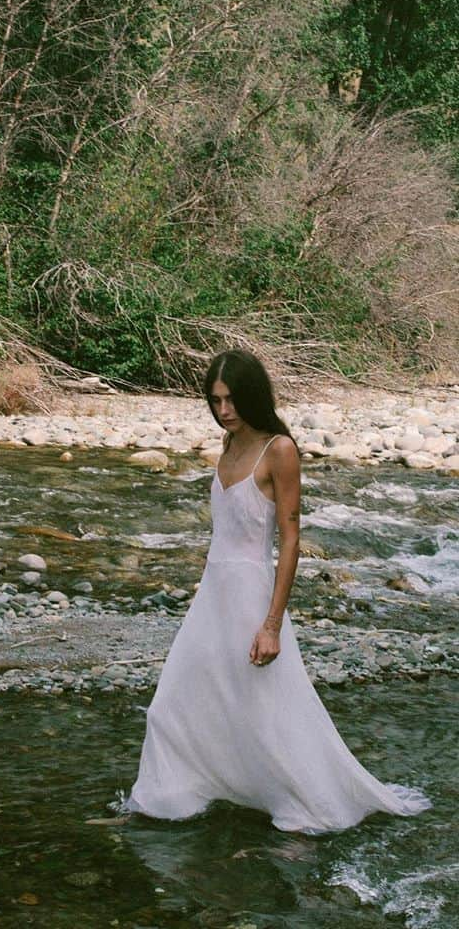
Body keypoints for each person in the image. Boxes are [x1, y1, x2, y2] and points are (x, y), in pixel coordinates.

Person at [122, 349, 432, 833]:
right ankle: (175, 795)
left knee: (267, 711)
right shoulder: (227, 446)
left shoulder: (279, 450)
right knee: (176, 702)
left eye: (232, 399)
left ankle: (302, 799)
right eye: (216, 400)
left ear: (253, 396)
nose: (224, 410)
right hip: (214, 596)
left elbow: (290, 538)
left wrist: (271, 625)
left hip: (251, 596)